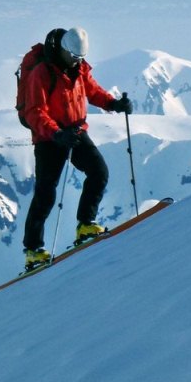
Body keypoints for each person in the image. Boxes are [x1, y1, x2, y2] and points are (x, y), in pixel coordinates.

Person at [19, 27, 133, 270]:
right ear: (62, 49)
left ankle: (85, 224)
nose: (77, 60)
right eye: (73, 55)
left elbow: (93, 91)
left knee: (99, 172)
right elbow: (34, 111)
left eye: (80, 56)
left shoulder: (80, 69)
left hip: (76, 132)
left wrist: (114, 103)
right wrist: (56, 133)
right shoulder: (42, 72)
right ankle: (33, 250)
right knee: (45, 193)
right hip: (50, 138)